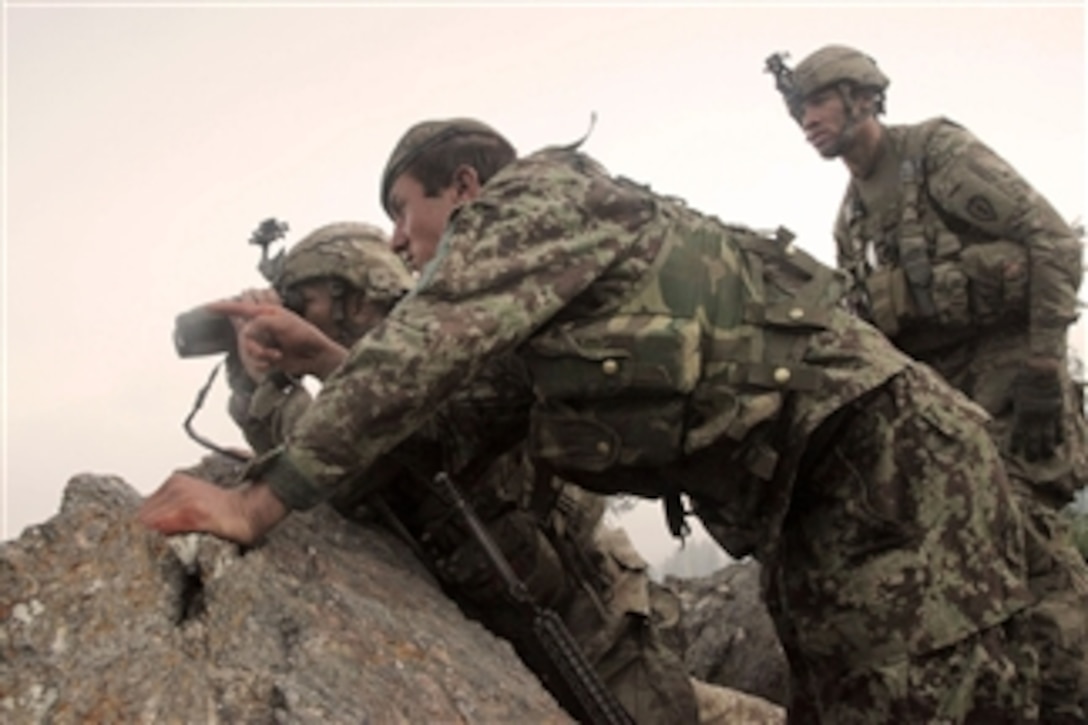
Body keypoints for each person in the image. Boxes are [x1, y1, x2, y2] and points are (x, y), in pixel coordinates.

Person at [142, 118, 1040, 722]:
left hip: (880, 471)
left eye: (402, 212)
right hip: (818, 505)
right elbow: (441, 434)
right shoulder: (529, 322)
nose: (397, 243)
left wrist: (261, 504)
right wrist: (302, 366)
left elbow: (427, 346)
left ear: (463, 187)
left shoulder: (540, 199)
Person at [217, 220, 750, 723]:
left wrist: (294, 372)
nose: (298, 317)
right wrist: (254, 378)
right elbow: (321, 451)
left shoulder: (439, 343)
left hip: (585, 613)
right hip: (521, 614)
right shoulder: (377, 365)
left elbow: (362, 454)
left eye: (303, 300)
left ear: (354, 292)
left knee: (662, 713)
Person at [768, 44, 1088, 721]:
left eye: (819, 102)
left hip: (1012, 372)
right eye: (799, 111)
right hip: (950, 400)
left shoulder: (936, 155)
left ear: (861, 97)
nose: (808, 121)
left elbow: (1054, 241)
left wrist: (1042, 366)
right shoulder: (849, 220)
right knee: (973, 560)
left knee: (1028, 541)